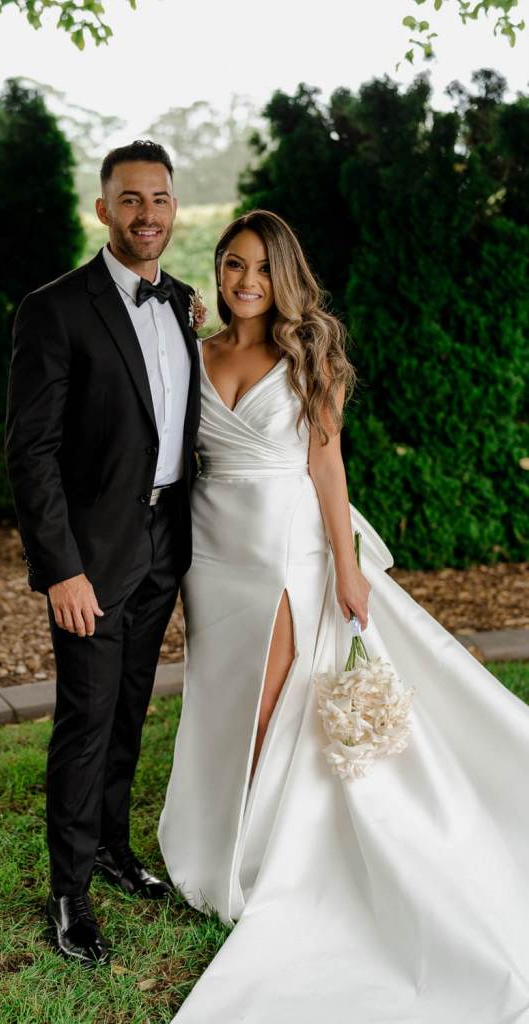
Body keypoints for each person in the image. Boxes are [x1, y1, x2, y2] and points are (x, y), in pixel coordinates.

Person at [158, 209, 529, 1022]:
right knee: (222, 695)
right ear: (216, 273)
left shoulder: (305, 354)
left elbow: (326, 462)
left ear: (283, 274)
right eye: (231, 266)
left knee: (268, 698)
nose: (245, 281)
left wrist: (348, 563)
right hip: (211, 553)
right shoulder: (193, 355)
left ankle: (254, 857)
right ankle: (218, 834)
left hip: (286, 550)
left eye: (259, 267)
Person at [5, 140, 200, 967]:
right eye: (129, 199)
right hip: (91, 557)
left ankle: (115, 853)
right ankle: (69, 893)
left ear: (173, 208)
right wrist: (62, 568)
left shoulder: (185, 302)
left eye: (158, 199)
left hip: (164, 544)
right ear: (102, 209)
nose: (145, 214)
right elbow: (30, 452)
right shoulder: (54, 309)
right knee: (85, 721)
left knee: (128, 710)